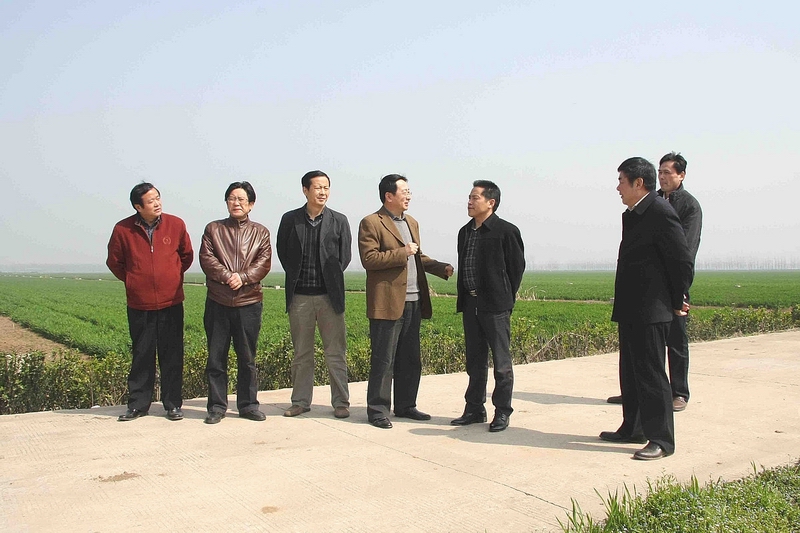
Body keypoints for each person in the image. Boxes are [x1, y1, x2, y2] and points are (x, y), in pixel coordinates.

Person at [600, 157, 693, 460]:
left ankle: (661, 440)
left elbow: (681, 260)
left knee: (652, 374)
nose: (618, 188)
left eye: (621, 181)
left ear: (638, 183)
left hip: (653, 308)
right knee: (631, 371)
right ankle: (633, 428)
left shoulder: (660, 211)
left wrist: (677, 299)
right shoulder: (635, 213)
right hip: (632, 305)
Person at [358, 174, 454, 429]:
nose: (409, 196)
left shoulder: (411, 222)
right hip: (387, 302)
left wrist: (440, 267)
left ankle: (406, 405)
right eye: (405, 191)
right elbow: (369, 259)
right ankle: (378, 410)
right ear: (389, 195)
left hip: (413, 300)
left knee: (410, 358)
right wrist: (403, 252)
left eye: (409, 191)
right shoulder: (371, 222)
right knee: (384, 360)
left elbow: (417, 256)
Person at [106, 182, 193, 422]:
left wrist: (171, 277)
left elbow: (186, 256)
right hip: (139, 304)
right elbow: (114, 262)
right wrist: (134, 281)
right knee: (142, 355)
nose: (157, 203)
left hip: (171, 301)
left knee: (172, 355)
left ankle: (173, 404)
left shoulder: (176, 224)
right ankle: (138, 405)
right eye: (150, 200)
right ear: (138, 206)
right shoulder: (122, 229)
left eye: (158, 198)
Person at [277, 170, 352, 419]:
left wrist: (330, 279)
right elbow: (283, 252)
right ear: (305, 190)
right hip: (300, 297)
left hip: (330, 297)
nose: (323, 192)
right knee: (302, 354)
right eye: (318, 187)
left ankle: (341, 402)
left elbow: (344, 257)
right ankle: (300, 401)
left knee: (335, 353)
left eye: (326, 187)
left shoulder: (339, 220)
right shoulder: (290, 219)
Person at [451, 181, 525, 432]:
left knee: (501, 364)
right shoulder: (465, 232)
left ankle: (502, 411)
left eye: (475, 198)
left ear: (491, 202)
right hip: (470, 303)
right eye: (469, 197)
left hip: (496, 306)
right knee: (475, 361)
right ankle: (474, 408)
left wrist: (505, 297)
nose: (469, 202)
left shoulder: (506, 231)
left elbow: (516, 268)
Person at [199, 181, 272, 424]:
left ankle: (248, 405)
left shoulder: (261, 232)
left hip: (248, 302)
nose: (236, 203)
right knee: (216, 358)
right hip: (218, 301)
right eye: (232, 198)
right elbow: (207, 258)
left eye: (241, 199)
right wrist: (227, 276)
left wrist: (243, 277)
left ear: (251, 204)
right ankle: (216, 406)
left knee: (247, 358)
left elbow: (264, 263)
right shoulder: (213, 229)